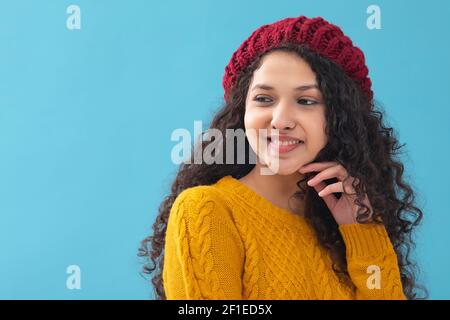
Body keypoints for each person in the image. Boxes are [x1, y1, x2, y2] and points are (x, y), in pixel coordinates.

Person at [139, 15, 426, 300]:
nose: (281, 120)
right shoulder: (206, 211)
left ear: (339, 118)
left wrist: (361, 230)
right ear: (242, 112)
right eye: (264, 99)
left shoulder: (341, 225)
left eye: (306, 101)